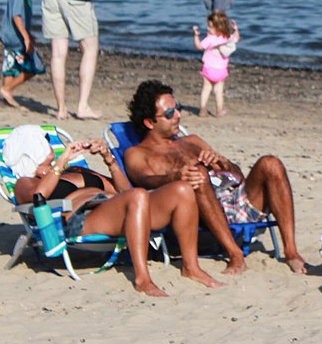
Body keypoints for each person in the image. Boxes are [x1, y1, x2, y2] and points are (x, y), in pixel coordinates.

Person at [5, 127, 220, 296]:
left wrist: (109, 159)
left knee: (182, 190)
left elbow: (126, 191)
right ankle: (142, 278)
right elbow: (37, 196)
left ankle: (191, 267)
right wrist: (60, 164)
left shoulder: (76, 170)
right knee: (138, 197)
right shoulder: (26, 181)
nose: (51, 150)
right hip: (82, 218)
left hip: (121, 208)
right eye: (45, 146)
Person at [123, 80, 308, 274]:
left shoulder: (192, 141)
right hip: (203, 213)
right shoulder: (137, 153)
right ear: (149, 122)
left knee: (271, 163)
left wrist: (222, 163)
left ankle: (291, 251)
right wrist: (176, 176)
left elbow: (238, 176)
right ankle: (235, 254)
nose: (178, 116)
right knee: (199, 175)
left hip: (238, 201)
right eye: (170, 114)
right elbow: (143, 180)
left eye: (178, 108)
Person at [0, 0, 46, 106]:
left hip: (9, 35)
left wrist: (29, 34)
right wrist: (26, 37)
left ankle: (6, 94)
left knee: (10, 66)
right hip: (16, 37)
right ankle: (7, 89)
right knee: (34, 66)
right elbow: (16, 16)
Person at [192, 11, 239, 117]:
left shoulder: (210, 39)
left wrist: (196, 36)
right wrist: (236, 29)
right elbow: (237, 38)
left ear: (218, 27)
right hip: (222, 70)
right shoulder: (227, 38)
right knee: (219, 92)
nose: (208, 29)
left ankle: (203, 110)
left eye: (210, 27)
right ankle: (219, 111)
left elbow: (199, 46)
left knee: (206, 89)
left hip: (208, 68)